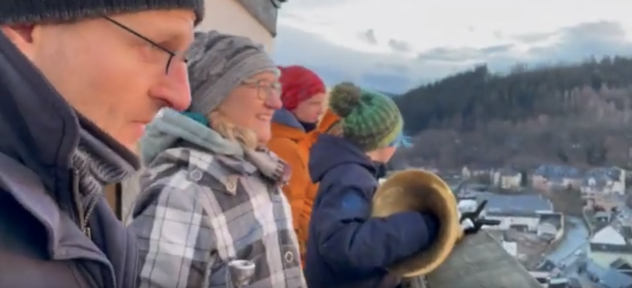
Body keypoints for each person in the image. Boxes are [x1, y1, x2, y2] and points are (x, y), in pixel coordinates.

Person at [0, 0, 203, 287]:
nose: (180, 97)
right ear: (27, 27)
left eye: (184, 60)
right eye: (159, 47)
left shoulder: (95, 218)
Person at [129, 31, 307, 288]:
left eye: (275, 86)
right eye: (261, 86)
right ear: (214, 96)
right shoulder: (184, 194)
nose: (276, 102)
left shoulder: (255, 172)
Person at [304, 82, 440, 288]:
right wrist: (419, 226)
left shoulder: (349, 172)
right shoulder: (350, 177)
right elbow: (344, 247)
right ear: (385, 142)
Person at [268, 65, 326, 262]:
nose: (320, 111)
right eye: (313, 103)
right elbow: (293, 210)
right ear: (290, 102)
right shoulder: (286, 147)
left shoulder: (295, 140)